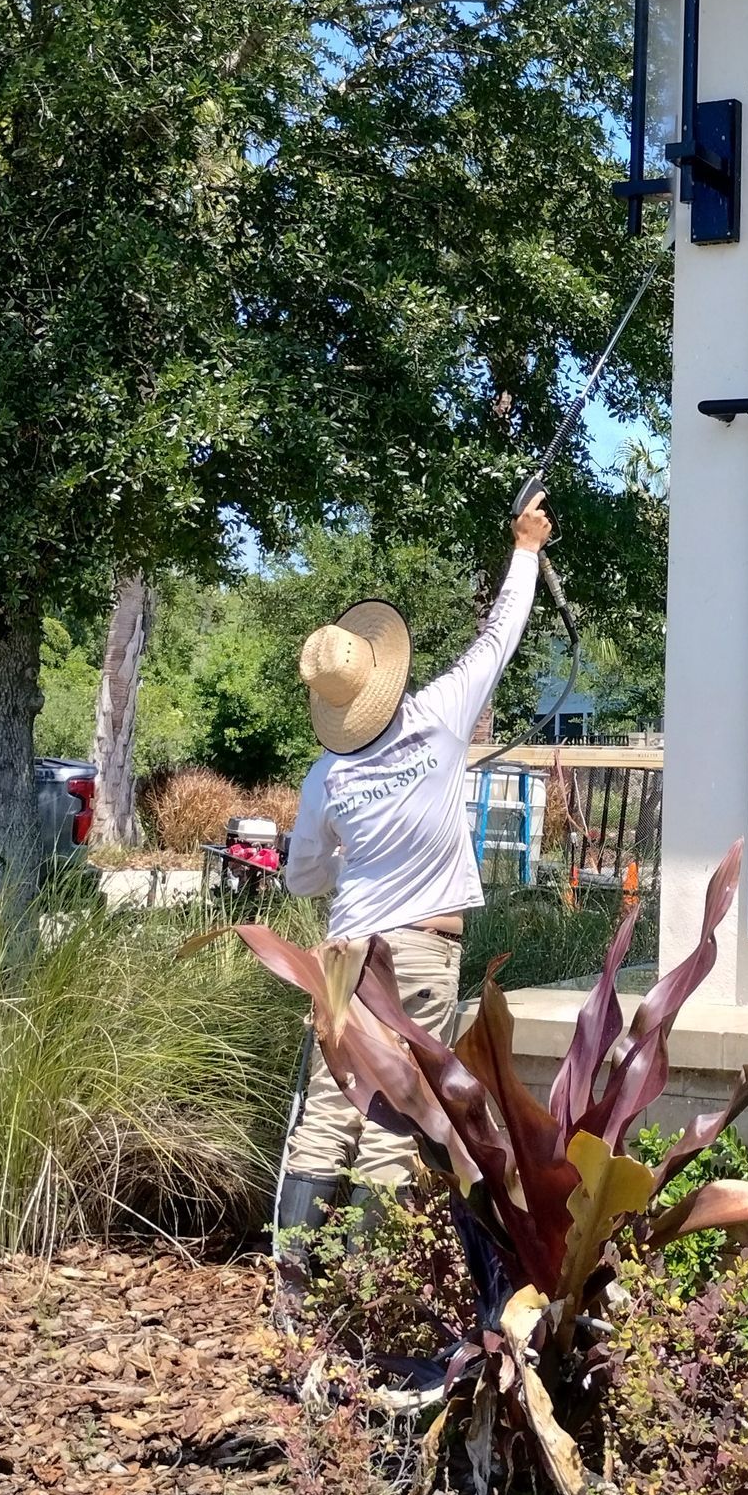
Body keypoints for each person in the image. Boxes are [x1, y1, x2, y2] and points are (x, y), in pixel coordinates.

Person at [273, 493, 554, 1287]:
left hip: (346, 958)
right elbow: (500, 635)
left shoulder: (327, 775)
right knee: (396, 1120)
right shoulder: (438, 716)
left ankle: (297, 1303)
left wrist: (343, 859)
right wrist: (525, 547)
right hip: (421, 954)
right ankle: (375, 1303)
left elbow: (303, 877)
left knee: (330, 1114)